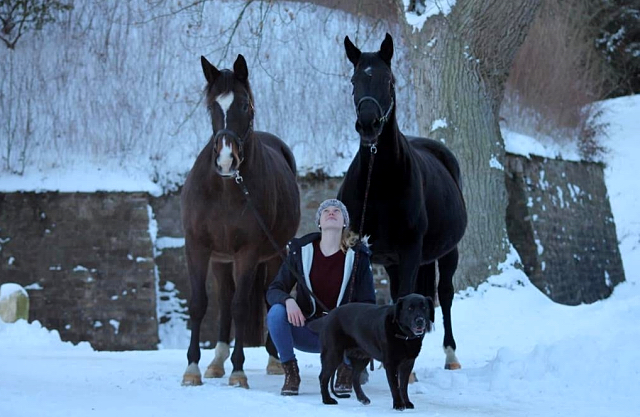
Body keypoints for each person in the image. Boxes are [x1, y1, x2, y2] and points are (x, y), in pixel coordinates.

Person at [266, 198, 376, 396]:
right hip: (307, 331)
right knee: (276, 312)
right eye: (325, 211)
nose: (331, 212)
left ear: (344, 222)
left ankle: (347, 368)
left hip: (344, 338)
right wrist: (288, 300)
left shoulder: (358, 256)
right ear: (319, 222)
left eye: (337, 211)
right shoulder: (301, 252)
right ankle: (291, 373)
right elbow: (274, 289)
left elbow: (369, 304)